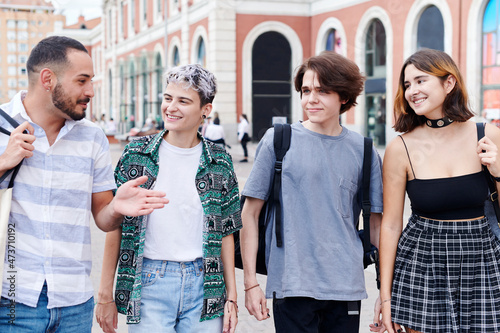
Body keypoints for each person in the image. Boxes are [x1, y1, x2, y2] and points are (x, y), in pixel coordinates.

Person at [0, 36, 168, 332]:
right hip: (12, 302)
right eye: (82, 81)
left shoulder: (92, 137)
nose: (90, 91)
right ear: (48, 79)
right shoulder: (2, 126)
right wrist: (3, 162)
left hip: (75, 305)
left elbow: (103, 219)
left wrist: (116, 207)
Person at [240, 51, 383, 333]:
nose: (310, 99)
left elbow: (377, 226)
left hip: (345, 285)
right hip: (291, 283)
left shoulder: (365, 150)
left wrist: (386, 292)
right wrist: (250, 283)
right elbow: (250, 214)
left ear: (344, 96)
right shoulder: (279, 140)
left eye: (322, 90)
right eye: (306, 90)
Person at [95, 64, 241, 333]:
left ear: (205, 110)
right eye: (168, 98)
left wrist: (231, 297)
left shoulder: (220, 161)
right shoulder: (137, 154)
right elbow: (115, 224)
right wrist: (105, 295)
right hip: (150, 283)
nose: (171, 107)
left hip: (205, 285)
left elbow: (226, 232)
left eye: (183, 101)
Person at [373, 49, 500, 333]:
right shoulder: (400, 148)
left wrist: (498, 171)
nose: (412, 91)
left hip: (483, 260)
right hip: (422, 263)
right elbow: (391, 225)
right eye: (407, 85)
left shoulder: (487, 134)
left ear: (449, 83)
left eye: (420, 81)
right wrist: (385, 296)